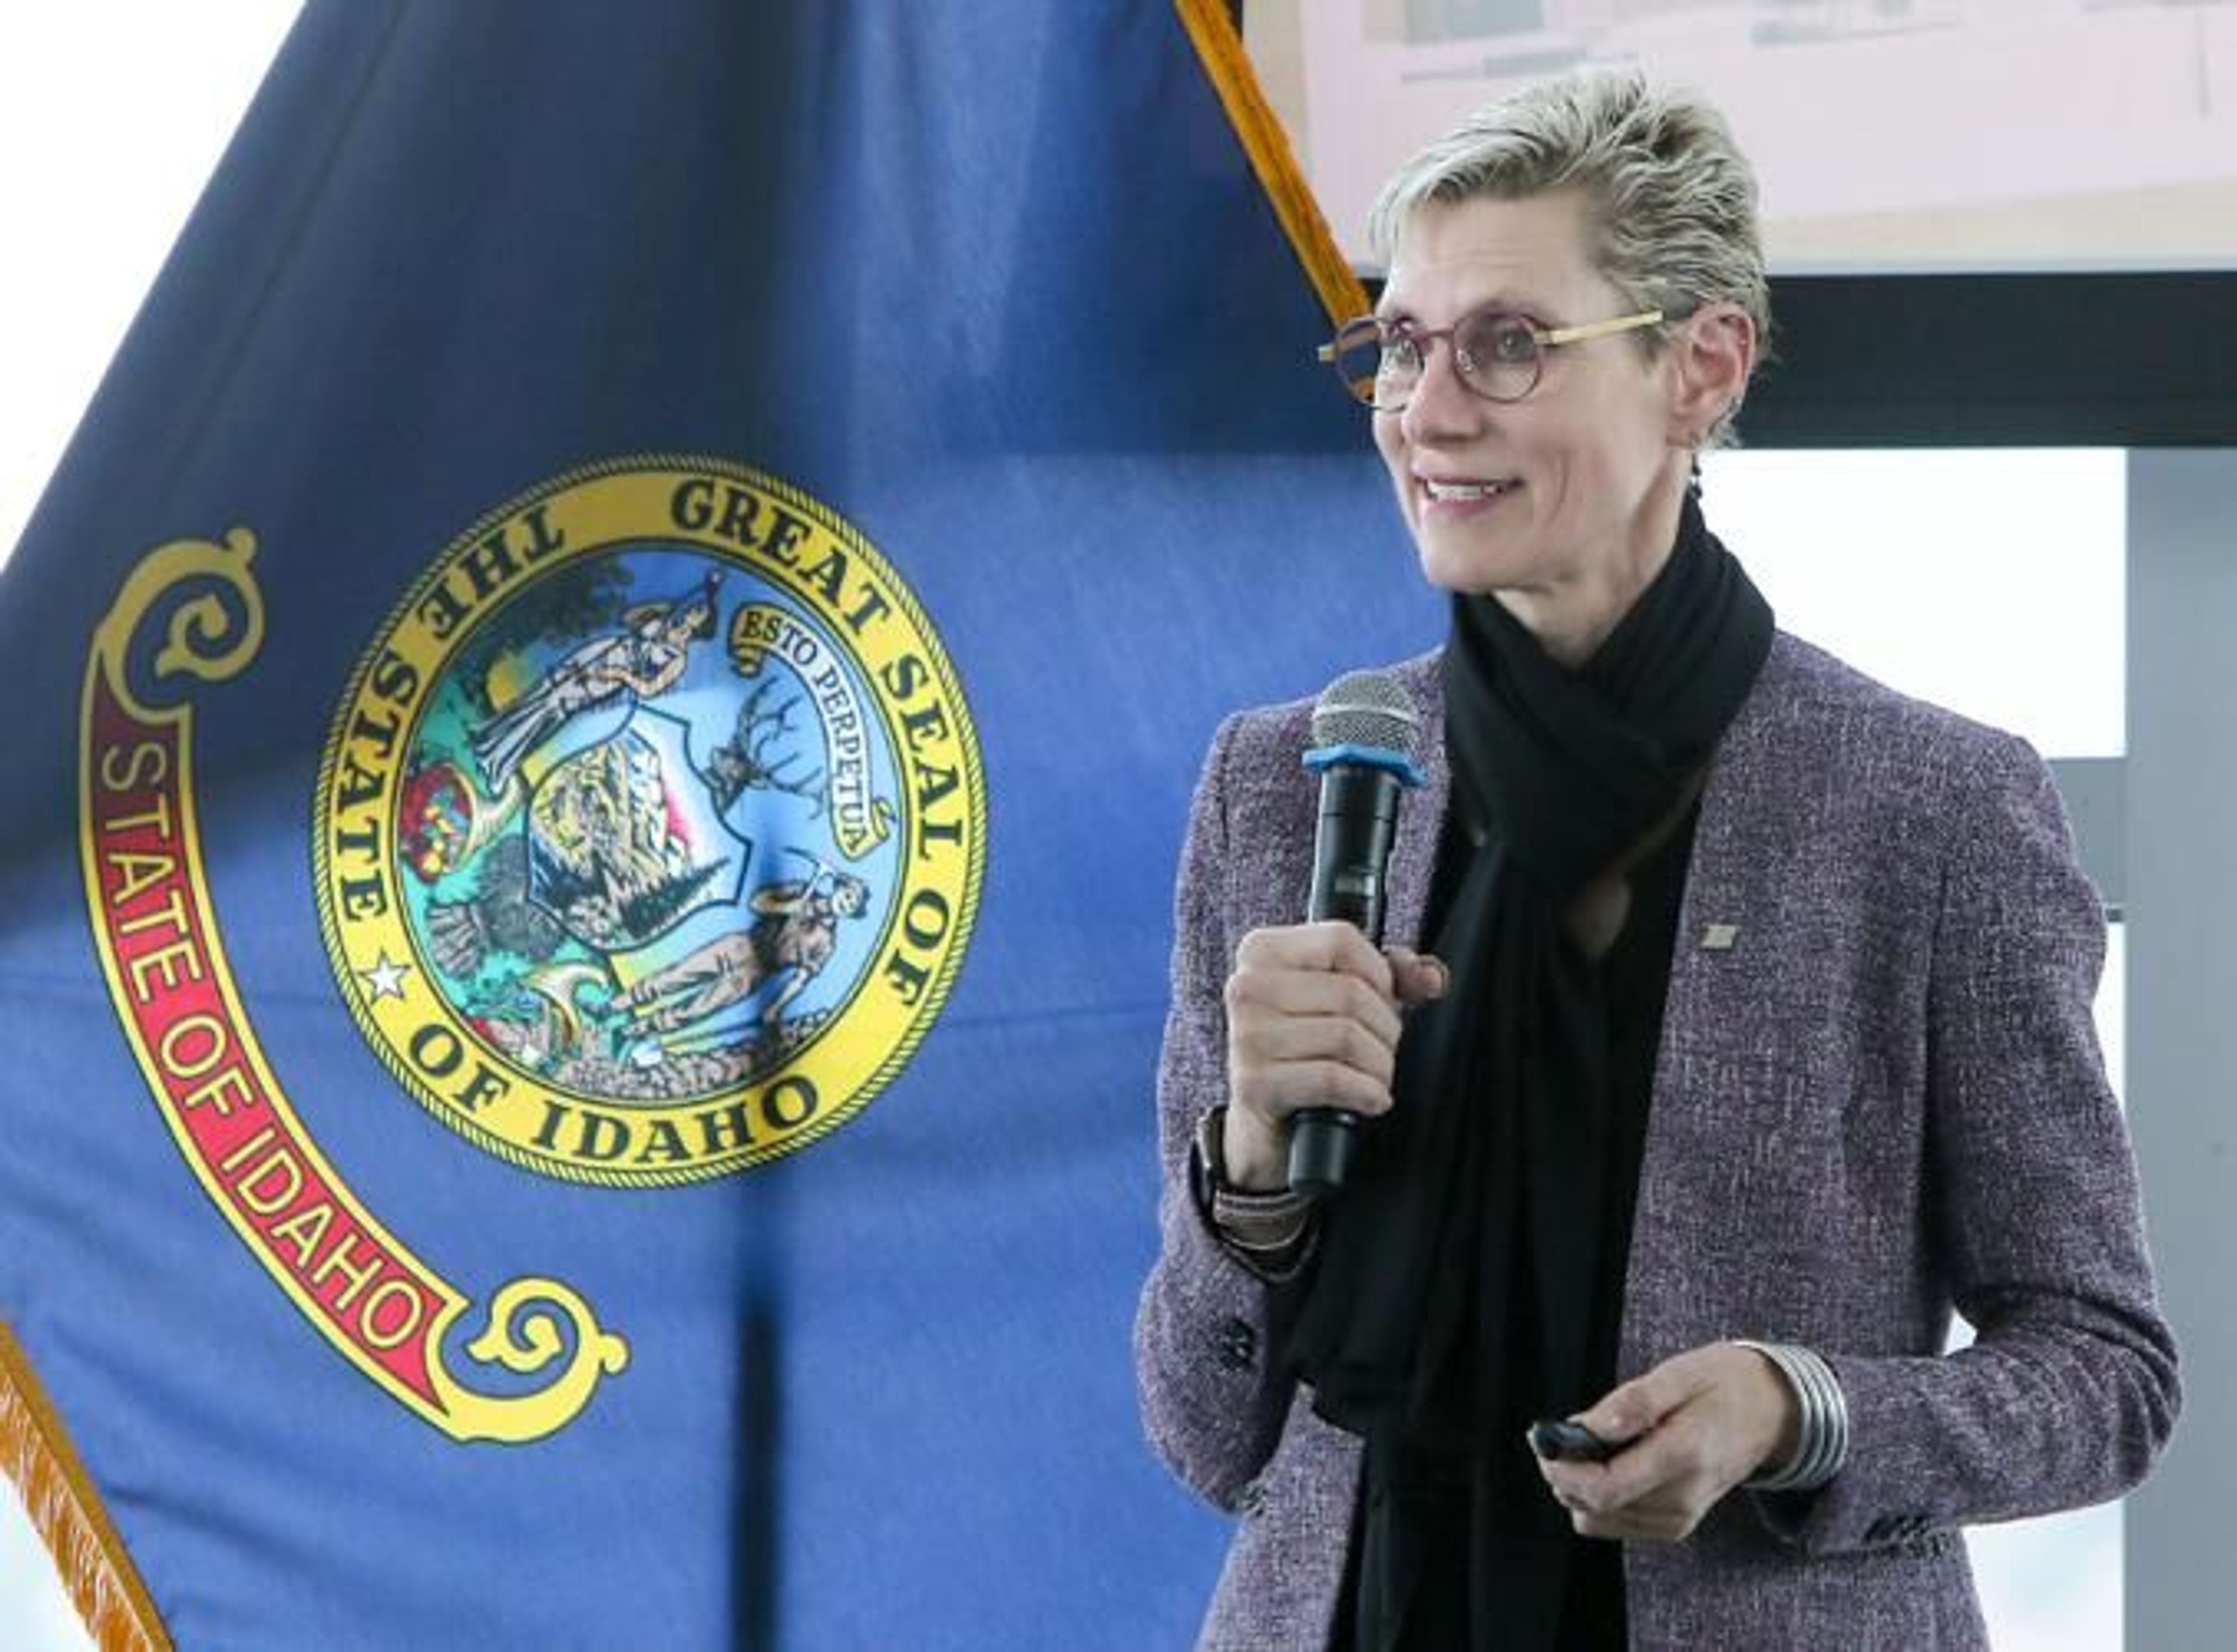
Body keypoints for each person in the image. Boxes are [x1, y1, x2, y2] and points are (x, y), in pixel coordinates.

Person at [1133, 70, 2178, 1650]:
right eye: (1399, 347)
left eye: (1505, 344)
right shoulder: (1285, 786)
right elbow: (1208, 1435)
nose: (1425, 411)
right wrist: (1254, 1166)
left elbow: (2105, 1373)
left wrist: (1799, 1408)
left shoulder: (1933, 809)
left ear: (1703, 366)